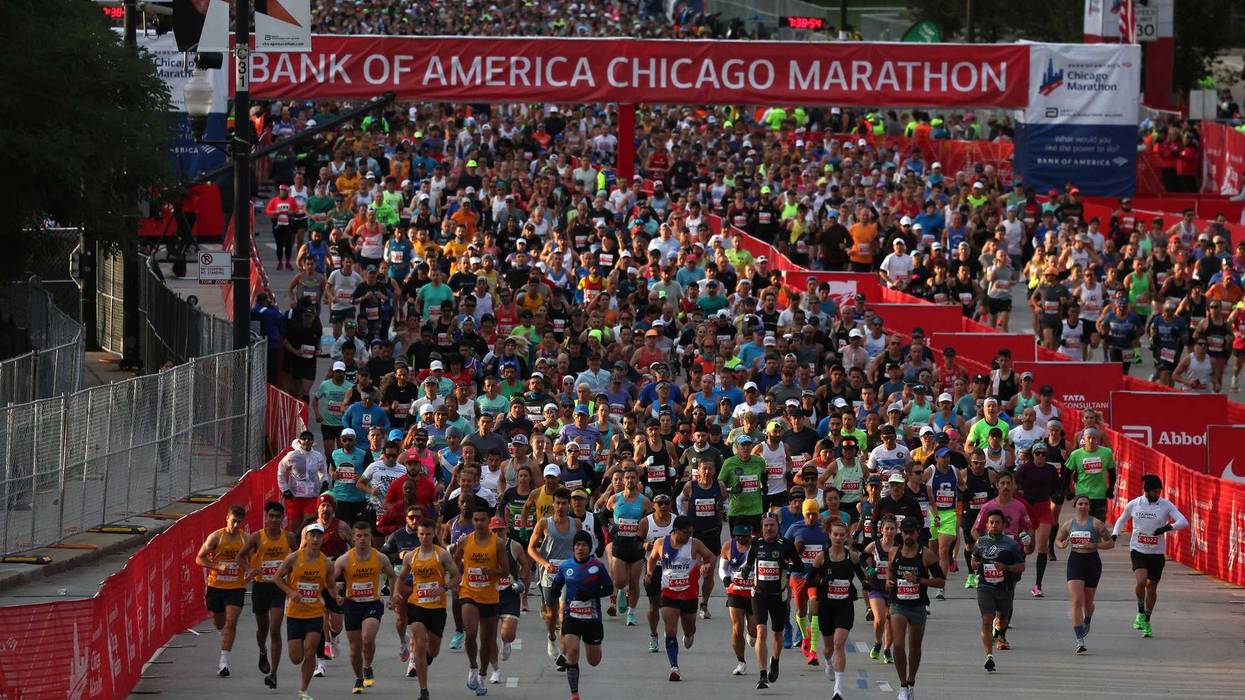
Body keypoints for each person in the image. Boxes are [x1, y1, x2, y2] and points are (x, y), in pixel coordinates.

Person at [1112, 474, 1189, 638]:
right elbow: (1121, 520)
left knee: (1151, 587)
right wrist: (1114, 534)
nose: (1157, 494)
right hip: (1138, 549)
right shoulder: (1135, 504)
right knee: (1141, 581)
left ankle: (1147, 619)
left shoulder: (1165, 504)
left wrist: (1167, 528)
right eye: (1154, 491)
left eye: (1159, 491)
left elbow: (1183, 521)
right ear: (1146, 491)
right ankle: (1140, 611)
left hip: (1156, 552)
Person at [394, 517, 461, 700]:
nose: (424, 537)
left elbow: (456, 576)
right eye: (421, 534)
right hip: (417, 605)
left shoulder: (442, 555)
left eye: (428, 534)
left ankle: (425, 659)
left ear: (434, 534)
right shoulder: (411, 556)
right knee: (419, 644)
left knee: (434, 650)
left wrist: (444, 587)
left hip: (437, 608)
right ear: (418, 535)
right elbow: (400, 578)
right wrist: (397, 594)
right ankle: (424, 691)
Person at [646, 514, 716, 681]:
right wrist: (649, 572)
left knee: (689, 629)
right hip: (669, 593)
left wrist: (707, 565)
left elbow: (711, 557)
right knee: (670, 630)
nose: (688, 536)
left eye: (691, 532)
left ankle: (689, 634)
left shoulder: (695, 544)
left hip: (689, 594)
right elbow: (652, 558)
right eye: (686, 533)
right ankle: (674, 667)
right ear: (676, 530)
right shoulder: (661, 543)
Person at [237, 501, 296, 688]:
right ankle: (262, 651)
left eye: (277, 516)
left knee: (275, 630)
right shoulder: (257, 537)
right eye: (271, 516)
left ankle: (274, 673)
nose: (274, 520)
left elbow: (297, 559)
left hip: (278, 588)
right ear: (266, 517)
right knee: (263, 629)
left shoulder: (289, 537)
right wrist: (249, 569)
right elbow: (239, 557)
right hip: (260, 587)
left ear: (282, 518)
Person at [332, 521, 396, 693]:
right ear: (353, 538)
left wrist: (393, 596)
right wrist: (335, 594)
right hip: (352, 605)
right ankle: (359, 677)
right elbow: (328, 579)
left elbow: (393, 575)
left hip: (372, 603)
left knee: (367, 639)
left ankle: (368, 666)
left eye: (366, 535)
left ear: (370, 537)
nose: (362, 539)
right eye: (358, 536)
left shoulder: (380, 557)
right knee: (355, 647)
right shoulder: (344, 560)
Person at [550, 530, 615, 700]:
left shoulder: (598, 567)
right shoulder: (566, 566)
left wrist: (592, 594)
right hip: (572, 616)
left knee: (594, 661)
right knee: (572, 651)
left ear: (589, 548)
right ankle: (574, 694)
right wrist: (554, 591)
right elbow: (556, 584)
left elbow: (609, 589)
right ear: (573, 548)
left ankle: (597, 647)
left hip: (592, 618)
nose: (580, 548)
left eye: (584, 545)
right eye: (577, 545)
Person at [808, 520, 870, 700]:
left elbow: (860, 573)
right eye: (835, 534)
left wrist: (865, 583)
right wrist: (820, 583)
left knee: (838, 644)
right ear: (829, 535)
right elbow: (809, 581)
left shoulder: (852, 556)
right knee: (828, 648)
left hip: (845, 605)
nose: (838, 537)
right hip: (826, 606)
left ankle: (838, 689)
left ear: (846, 537)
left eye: (842, 535)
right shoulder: (821, 557)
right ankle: (828, 662)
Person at [453, 498, 509, 695]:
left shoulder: (498, 543)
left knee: (487, 641)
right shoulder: (465, 541)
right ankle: (472, 667)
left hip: (490, 596)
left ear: (488, 521)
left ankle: (483, 675)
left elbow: (505, 570)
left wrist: (491, 571)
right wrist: (456, 577)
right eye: (475, 520)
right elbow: (455, 563)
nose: (478, 523)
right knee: (470, 632)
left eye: (482, 520)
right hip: (469, 592)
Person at [274, 523, 335, 700]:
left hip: (315, 613)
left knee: (310, 651)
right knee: (296, 657)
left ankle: (303, 690)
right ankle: (303, 685)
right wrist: (291, 592)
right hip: (294, 613)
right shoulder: (293, 558)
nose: (315, 539)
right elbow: (277, 578)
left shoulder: (326, 563)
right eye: (312, 536)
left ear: (323, 539)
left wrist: (337, 594)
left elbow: (330, 585)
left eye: (319, 536)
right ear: (306, 538)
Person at [743, 512, 804, 689]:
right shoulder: (756, 543)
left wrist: (787, 566)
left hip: (779, 596)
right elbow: (750, 562)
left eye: (772, 525)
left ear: (778, 527)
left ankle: (775, 661)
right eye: (766, 526)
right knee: (761, 631)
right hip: (759, 594)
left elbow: (799, 566)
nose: (769, 528)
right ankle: (762, 674)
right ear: (762, 528)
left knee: (777, 633)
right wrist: (746, 571)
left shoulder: (786, 544)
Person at [886, 518, 945, 700]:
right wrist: (889, 581)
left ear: (918, 533)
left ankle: (911, 682)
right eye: (905, 532)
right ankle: (902, 685)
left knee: (914, 648)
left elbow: (940, 581)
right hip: (898, 604)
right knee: (898, 645)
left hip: (918, 606)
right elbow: (890, 569)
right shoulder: (894, 552)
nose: (908, 536)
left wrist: (919, 580)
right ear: (900, 533)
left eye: (911, 532)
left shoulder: (927, 555)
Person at [527, 487, 580, 666]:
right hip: (549, 575)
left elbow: (580, 548)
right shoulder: (544, 524)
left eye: (564, 503)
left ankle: (563, 654)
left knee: (564, 613)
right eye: (557, 503)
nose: (560, 506)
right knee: (551, 614)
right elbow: (531, 548)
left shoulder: (575, 524)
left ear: (569, 505)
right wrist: (545, 564)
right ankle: (551, 639)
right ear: (553, 504)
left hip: (569, 574)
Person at [1055, 494, 1115, 653]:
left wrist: (1094, 545)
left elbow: (1110, 543)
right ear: (1075, 506)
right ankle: (1079, 639)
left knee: (1087, 603)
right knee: (1076, 600)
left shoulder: (1097, 524)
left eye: (1086, 504)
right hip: (1075, 562)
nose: (1083, 506)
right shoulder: (1069, 525)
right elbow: (1058, 540)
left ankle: (1087, 619)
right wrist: (1063, 544)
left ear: (1089, 507)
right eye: (1080, 503)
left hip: (1092, 563)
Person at [195, 505, 248, 677]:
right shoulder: (216, 537)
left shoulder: (245, 539)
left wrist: (251, 571)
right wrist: (216, 566)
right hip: (216, 586)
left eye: (239, 522)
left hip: (236, 587)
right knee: (220, 622)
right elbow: (199, 558)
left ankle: (223, 662)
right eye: (234, 521)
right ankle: (222, 633)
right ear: (227, 518)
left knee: (231, 622)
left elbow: (255, 559)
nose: (236, 525)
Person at [971, 510, 1025, 673]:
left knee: (1003, 619)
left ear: (1003, 525)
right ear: (986, 525)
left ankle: (999, 630)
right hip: (985, 587)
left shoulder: (1011, 544)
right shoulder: (980, 542)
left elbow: (1021, 566)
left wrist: (1006, 567)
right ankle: (989, 655)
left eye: (997, 522)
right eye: (991, 522)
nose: (994, 525)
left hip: (1004, 588)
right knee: (987, 618)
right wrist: (974, 564)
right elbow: (974, 558)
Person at [604, 466, 651, 626]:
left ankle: (631, 612)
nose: (630, 480)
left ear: (638, 480)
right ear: (623, 480)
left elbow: (649, 522)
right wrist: (611, 528)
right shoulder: (614, 500)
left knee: (634, 581)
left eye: (633, 477)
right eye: (627, 478)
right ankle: (621, 593)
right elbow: (603, 515)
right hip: (619, 545)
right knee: (619, 581)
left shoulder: (644, 501)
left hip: (636, 546)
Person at [487, 514, 529, 683]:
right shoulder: (483, 547)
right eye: (494, 531)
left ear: (506, 530)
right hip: (489, 595)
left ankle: (506, 643)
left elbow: (525, 565)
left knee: (508, 634)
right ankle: (495, 670)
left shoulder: (514, 546)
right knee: (489, 638)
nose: (497, 534)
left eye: (500, 531)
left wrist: (521, 582)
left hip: (509, 595)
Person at [785, 498, 827, 664]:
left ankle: (814, 650)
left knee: (815, 608)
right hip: (798, 575)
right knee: (801, 611)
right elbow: (785, 549)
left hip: (816, 576)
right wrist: (795, 551)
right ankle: (804, 638)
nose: (811, 517)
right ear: (804, 514)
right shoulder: (795, 528)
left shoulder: (823, 529)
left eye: (814, 514)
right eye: (808, 514)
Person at [639, 493, 676, 653]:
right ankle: (654, 635)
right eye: (659, 503)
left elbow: (686, 540)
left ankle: (670, 634)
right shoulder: (646, 522)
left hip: (673, 569)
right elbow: (636, 543)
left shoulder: (676, 521)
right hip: (653, 568)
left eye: (666, 503)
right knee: (654, 604)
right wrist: (645, 545)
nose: (663, 506)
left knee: (669, 605)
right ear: (653, 505)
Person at [718, 524, 756, 676]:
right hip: (735, 591)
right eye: (738, 536)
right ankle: (741, 662)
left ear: (750, 535)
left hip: (754, 592)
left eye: (744, 537)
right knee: (737, 627)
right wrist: (725, 578)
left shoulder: (757, 545)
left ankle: (751, 632)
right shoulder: (728, 546)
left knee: (754, 632)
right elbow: (722, 568)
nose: (741, 539)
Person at [924, 447, 959, 600]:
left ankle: (941, 588)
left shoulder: (955, 471)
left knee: (943, 550)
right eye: (943, 457)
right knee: (932, 551)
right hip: (933, 513)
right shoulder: (930, 471)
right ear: (936, 458)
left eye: (948, 457)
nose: (946, 459)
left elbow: (963, 484)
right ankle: (933, 575)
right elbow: (917, 483)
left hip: (950, 513)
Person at [959, 449, 998, 589]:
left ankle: (980, 574)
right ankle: (970, 574)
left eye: (981, 463)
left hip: (985, 516)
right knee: (970, 545)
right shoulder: (963, 474)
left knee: (985, 544)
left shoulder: (991, 474)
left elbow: (999, 489)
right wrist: (963, 493)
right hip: (969, 513)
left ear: (985, 462)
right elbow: (956, 490)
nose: (978, 466)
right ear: (971, 462)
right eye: (975, 463)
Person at [863, 516, 896, 664]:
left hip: (893, 589)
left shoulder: (899, 548)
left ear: (896, 530)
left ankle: (887, 650)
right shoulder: (874, 545)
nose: (889, 531)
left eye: (892, 528)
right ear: (881, 530)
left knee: (891, 621)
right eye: (886, 528)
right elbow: (861, 558)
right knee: (880, 618)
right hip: (876, 587)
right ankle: (877, 642)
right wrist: (869, 568)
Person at [279, 431, 329, 529]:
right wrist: (284, 489)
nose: (306, 441)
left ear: (312, 441)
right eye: (304, 439)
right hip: (294, 497)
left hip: (312, 496)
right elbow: (281, 472)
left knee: (308, 526)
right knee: (295, 530)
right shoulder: (292, 456)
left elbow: (323, 472)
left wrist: (325, 482)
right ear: (299, 441)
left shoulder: (318, 456)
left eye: (309, 439)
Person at [1066, 427, 1116, 521]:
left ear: (1097, 439)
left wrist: (1111, 488)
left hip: (1099, 495)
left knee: (1099, 527)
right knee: (1083, 524)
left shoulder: (1106, 452)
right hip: (1082, 495)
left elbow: (1112, 472)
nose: (1091, 440)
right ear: (1083, 439)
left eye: (1094, 438)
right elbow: (1067, 474)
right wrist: (1067, 490)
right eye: (1088, 437)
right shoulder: (1075, 454)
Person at [719, 434, 766, 533]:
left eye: (748, 445)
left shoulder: (760, 461)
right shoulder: (729, 462)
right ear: (737, 447)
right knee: (737, 542)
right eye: (742, 445)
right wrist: (730, 490)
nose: (745, 448)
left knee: (754, 541)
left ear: (751, 447)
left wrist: (765, 486)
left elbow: (765, 475)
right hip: (736, 510)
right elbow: (720, 483)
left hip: (755, 509)